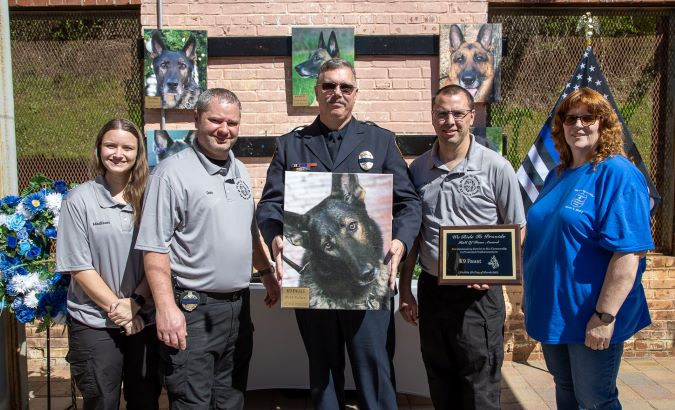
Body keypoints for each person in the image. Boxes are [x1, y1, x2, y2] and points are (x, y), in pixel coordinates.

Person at [256, 58, 421, 409]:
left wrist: (400, 243)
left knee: (375, 371)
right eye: (329, 86)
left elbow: (409, 204)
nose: (337, 93)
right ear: (316, 92)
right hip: (317, 283)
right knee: (323, 373)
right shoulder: (291, 145)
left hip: (368, 284)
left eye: (345, 87)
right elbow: (270, 205)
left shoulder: (380, 141)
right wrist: (275, 237)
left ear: (355, 94)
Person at [135, 88, 280, 409]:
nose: (223, 129)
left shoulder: (240, 170)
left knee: (231, 399)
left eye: (232, 122)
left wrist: (267, 272)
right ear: (196, 119)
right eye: (215, 120)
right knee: (192, 400)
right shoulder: (171, 174)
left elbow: (249, 230)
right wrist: (166, 308)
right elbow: (154, 248)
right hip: (191, 310)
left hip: (238, 311)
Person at [522, 87, 653, 409]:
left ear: (604, 124)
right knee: (566, 390)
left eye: (588, 117)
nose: (578, 124)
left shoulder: (617, 173)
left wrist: (604, 316)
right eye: (570, 118)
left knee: (595, 400)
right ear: (560, 126)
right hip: (554, 311)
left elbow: (628, 253)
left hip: (589, 314)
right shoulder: (558, 174)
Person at [399, 84, 526, 410]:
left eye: (457, 113)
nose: (449, 121)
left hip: (478, 297)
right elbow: (414, 232)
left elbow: (517, 228)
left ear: (471, 116)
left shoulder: (496, 167)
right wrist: (405, 289)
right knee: (440, 383)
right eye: (442, 113)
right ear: (432, 117)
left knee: (480, 389)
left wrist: (495, 274)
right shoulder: (418, 170)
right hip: (432, 291)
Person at [55, 118, 160, 410]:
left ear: (139, 153)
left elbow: (158, 256)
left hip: (145, 318)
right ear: (99, 149)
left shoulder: (151, 198)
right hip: (95, 322)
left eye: (127, 147)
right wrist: (122, 312)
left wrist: (136, 302)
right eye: (110, 145)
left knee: (145, 400)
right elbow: (79, 266)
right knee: (102, 400)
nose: (118, 153)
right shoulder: (79, 200)